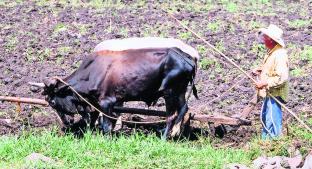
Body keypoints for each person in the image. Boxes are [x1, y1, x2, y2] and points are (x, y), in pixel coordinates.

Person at [252, 24, 289, 139]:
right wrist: (261, 70)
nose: (263, 40)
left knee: (272, 120)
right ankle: (265, 144)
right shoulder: (272, 52)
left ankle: (274, 144)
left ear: (272, 40)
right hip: (269, 93)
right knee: (266, 118)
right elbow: (272, 69)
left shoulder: (280, 55)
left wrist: (265, 83)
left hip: (275, 94)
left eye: (265, 38)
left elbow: (282, 77)